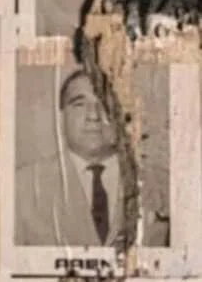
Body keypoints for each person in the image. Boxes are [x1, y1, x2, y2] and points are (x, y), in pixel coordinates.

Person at [15, 69, 169, 246]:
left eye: (105, 104)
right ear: (61, 117)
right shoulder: (22, 187)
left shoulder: (163, 184)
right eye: (79, 104)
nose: (93, 116)